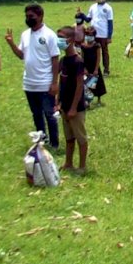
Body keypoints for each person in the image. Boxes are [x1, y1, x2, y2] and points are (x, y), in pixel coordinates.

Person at [5, 4, 60, 149]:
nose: (28, 19)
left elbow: (55, 59)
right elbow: (22, 55)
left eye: (31, 16)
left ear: (40, 16)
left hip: (45, 82)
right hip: (29, 83)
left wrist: (55, 82)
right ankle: (42, 140)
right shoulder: (25, 34)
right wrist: (11, 44)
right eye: (26, 16)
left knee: (49, 114)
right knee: (36, 114)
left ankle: (54, 143)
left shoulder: (49, 35)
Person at [55, 27, 89, 175]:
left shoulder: (78, 61)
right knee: (69, 138)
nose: (58, 41)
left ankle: (82, 166)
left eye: (61, 38)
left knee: (80, 137)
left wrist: (74, 108)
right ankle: (68, 163)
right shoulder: (63, 61)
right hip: (64, 105)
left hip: (76, 108)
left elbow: (80, 85)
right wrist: (58, 102)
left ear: (70, 40)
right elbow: (60, 82)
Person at [87, 0, 114, 76]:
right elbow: (88, 19)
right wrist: (81, 15)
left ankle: (106, 70)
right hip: (93, 34)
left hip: (103, 34)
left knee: (104, 51)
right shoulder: (92, 7)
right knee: (92, 51)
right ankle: (94, 69)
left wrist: (109, 36)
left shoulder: (108, 8)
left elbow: (110, 23)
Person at [81, 27, 107, 106]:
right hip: (87, 67)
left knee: (97, 84)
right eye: (87, 35)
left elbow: (99, 58)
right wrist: (84, 68)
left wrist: (96, 69)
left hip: (94, 67)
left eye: (91, 35)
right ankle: (87, 100)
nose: (89, 37)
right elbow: (82, 57)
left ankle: (99, 99)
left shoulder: (96, 45)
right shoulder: (83, 46)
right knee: (87, 84)